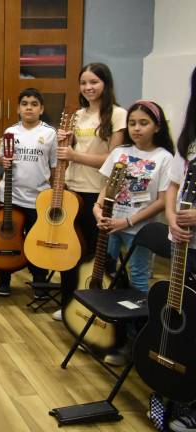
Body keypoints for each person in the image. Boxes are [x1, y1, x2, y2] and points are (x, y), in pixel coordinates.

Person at [94, 100, 173, 366]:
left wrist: (127, 222)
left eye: (144, 123)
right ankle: (105, 335)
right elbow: (105, 186)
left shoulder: (164, 158)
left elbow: (162, 201)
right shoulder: (120, 152)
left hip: (138, 229)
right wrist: (97, 209)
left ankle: (134, 341)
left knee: (137, 281)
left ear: (157, 127)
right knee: (109, 275)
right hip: (109, 225)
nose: (136, 128)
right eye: (132, 123)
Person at [55, 63, 127, 321]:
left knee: (93, 255)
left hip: (97, 194)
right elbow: (69, 153)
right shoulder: (77, 115)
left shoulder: (118, 115)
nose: (88, 88)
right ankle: (67, 305)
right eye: (84, 83)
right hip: (72, 189)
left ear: (105, 84)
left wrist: (75, 154)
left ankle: (95, 309)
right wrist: (65, 144)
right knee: (68, 251)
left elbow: (114, 159)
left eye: (94, 82)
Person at [0, 88, 55, 297]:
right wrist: (4, 161)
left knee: (38, 242)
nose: (29, 107)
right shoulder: (10, 132)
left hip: (39, 198)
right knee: (7, 238)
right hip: (12, 197)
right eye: (25, 103)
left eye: (34, 104)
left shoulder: (49, 133)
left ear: (41, 108)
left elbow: (54, 166)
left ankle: (39, 282)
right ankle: (4, 280)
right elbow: (1, 158)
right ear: (19, 108)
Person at [164, 66, 196, 432]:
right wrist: (172, 217)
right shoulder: (190, 137)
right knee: (185, 309)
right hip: (184, 240)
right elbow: (175, 183)